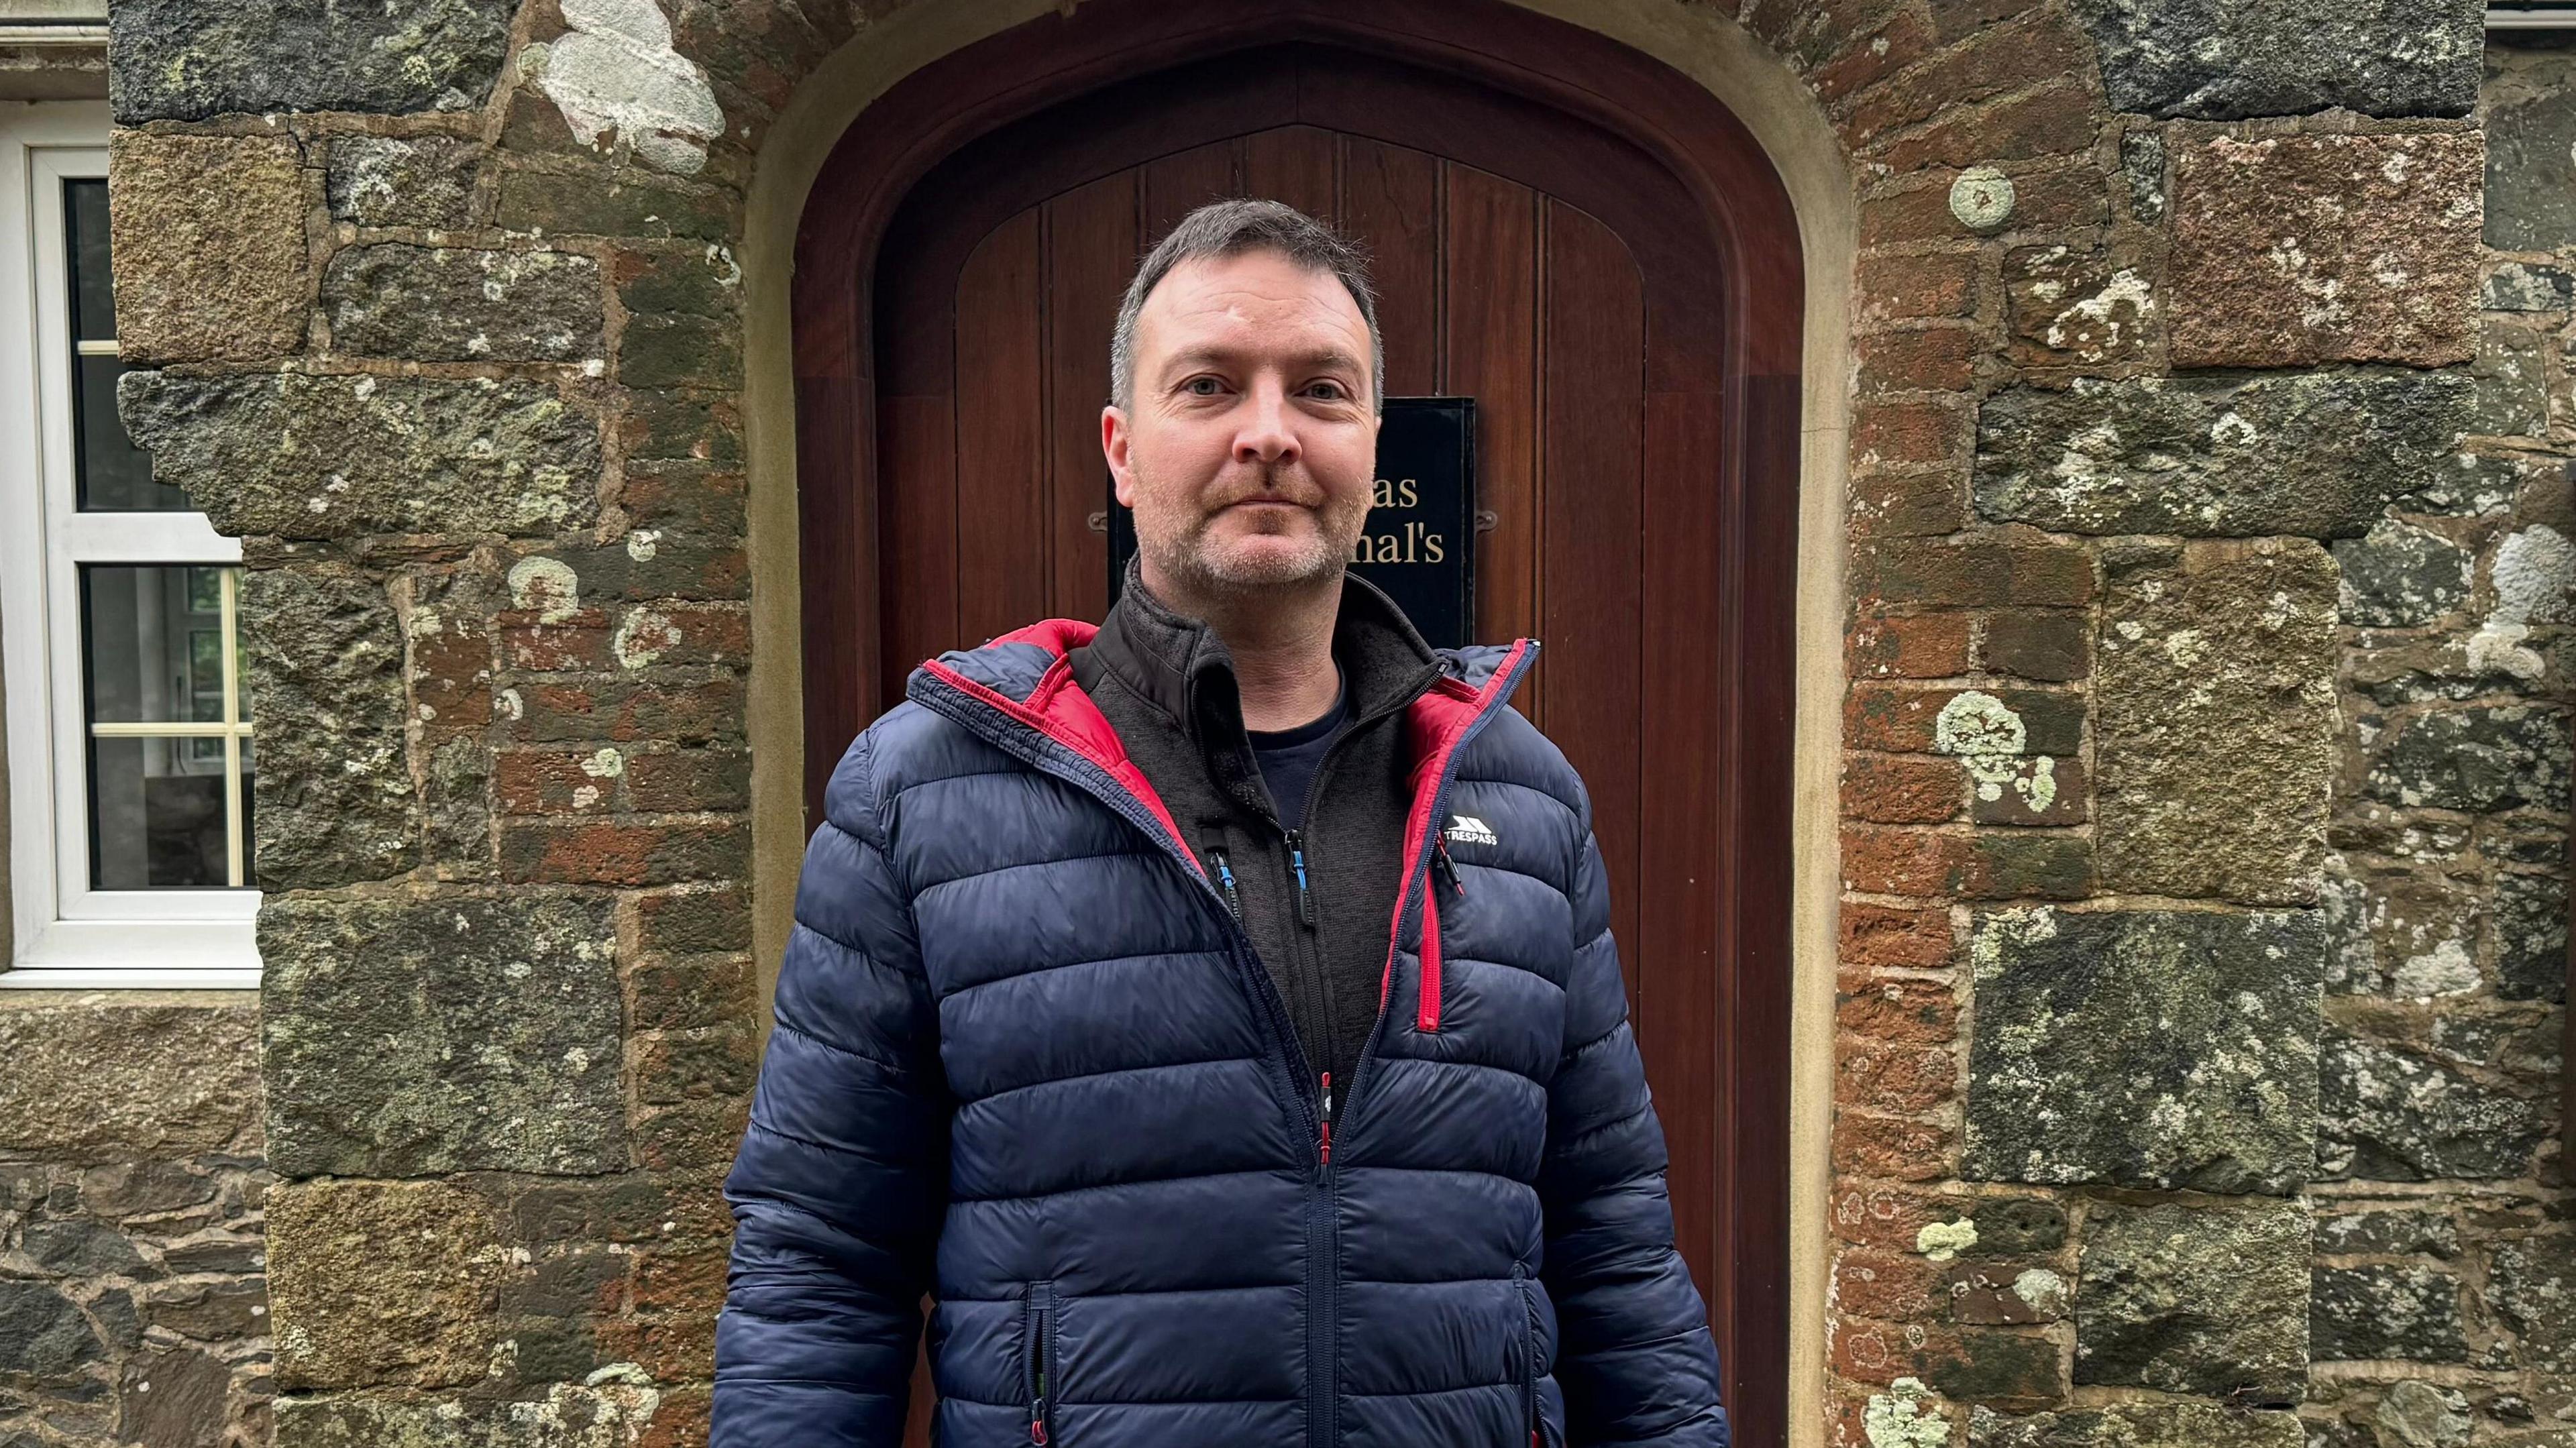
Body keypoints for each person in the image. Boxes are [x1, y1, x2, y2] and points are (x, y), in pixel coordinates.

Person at [712, 199, 1728, 1447]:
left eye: (1321, 391)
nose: (1269, 434)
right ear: (1123, 448)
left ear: (1370, 442)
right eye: (1208, 386)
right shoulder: (923, 795)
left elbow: (1614, 1249)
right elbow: (820, 1266)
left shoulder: (1516, 793)